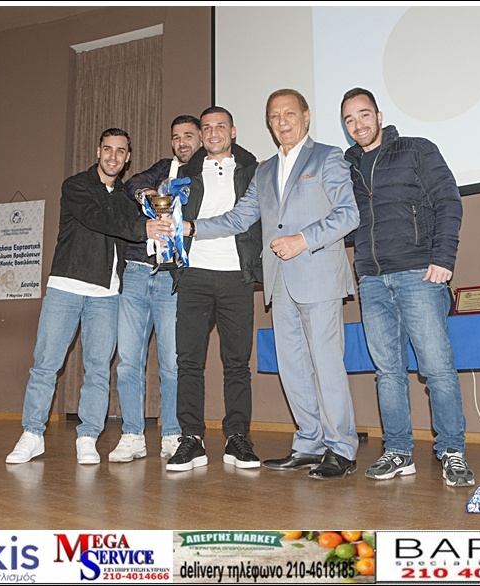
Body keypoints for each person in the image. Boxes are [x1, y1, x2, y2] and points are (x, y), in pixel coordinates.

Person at [187, 90, 360, 480]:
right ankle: (309, 442)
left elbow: (349, 214)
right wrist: (191, 227)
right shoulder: (264, 170)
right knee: (292, 367)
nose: (282, 122)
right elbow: (237, 218)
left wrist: (303, 239)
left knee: (326, 366)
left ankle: (341, 448)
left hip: (318, 277)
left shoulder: (328, 157)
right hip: (279, 283)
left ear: (306, 116)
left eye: (289, 114)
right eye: (274, 116)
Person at [6, 128, 172, 465]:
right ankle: (32, 434)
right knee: (45, 365)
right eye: (107, 149)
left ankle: (88, 436)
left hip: (107, 295)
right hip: (66, 287)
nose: (113, 156)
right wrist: (143, 228)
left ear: (127, 158)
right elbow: (100, 220)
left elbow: (136, 232)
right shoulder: (76, 186)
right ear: (98, 151)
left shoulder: (127, 198)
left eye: (120, 151)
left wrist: (161, 229)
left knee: (98, 370)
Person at [340, 87, 474, 487]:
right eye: (349, 120)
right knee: (388, 373)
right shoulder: (347, 167)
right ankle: (398, 451)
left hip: (420, 274)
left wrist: (443, 258)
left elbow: (449, 201)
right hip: (371, 279)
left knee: (437, 369)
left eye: (364, 115)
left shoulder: (416, 149)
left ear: (379, 115)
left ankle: (452, 451)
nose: (358, 125)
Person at [164, 106, 263, 472]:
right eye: (206, 128)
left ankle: (237, 437)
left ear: (233, 131)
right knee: (188, 362)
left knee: (237, 363)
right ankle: (191, 438)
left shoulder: (254, 171)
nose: (214, 133)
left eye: (221, 126)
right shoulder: (183, 174)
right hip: (193, 276)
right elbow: (168, 217)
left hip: (237, 276)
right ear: (201, 135)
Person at [108, 115, 202, 463]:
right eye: (176, 137)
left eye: (188, 136)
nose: (182, 142)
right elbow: (133, 182)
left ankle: (172, 434)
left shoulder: (206, 176)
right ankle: (132, 433)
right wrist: (147, 194)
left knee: (172, 363)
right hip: (136, 271)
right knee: (128, 362)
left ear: (201, 138)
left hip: (172, 278)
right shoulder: (164, 168)